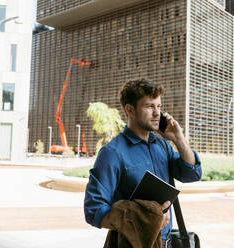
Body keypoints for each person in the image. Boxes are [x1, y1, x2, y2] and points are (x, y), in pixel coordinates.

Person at [84, 78, 202, 247]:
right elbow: (93, 211)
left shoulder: (162, 145)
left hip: (165, 243)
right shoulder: (112, 153)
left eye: (159, 107)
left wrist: (179, 139)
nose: (157, 113)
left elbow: (192, 174)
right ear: (130, 110)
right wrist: (145, 221)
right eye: (149, 106)